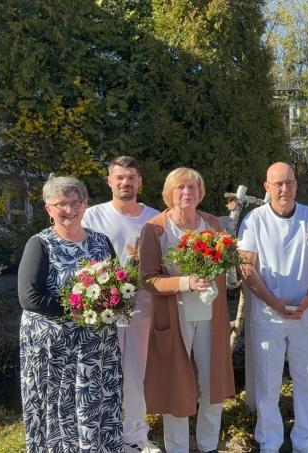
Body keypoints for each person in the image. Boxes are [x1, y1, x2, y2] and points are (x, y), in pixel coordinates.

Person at [18, 175, 122, 452]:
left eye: (75, 202)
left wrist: (117, 302)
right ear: (48, 210)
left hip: (97, 351)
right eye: (60, 204)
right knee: (59, 412)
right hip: (55, 353)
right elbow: (30, 298)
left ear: (85, 204)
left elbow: (117, 285)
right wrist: (82, 309)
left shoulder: (101, 242)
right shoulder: (40, 244)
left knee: (96, 407)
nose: (69, 209)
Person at [139, 167, 235, 453]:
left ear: (200, 192)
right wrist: (185, 282)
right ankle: (177, 448)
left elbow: (222, 265)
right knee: (176, 386)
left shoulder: (213, 224)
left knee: (212, 386)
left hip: (210, 318)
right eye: (180, 187)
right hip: (174, 318)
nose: (187, 193)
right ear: (170, 192)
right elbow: (147, 279)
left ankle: (208, 446)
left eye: (192, 187)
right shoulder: (155, 228)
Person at [237, 162, 308, 453]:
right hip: (268, 315)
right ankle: (270, 440)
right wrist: (274, 303)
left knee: (305, 379)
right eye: (277, 184)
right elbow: (247, 267)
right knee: (268, 384)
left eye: (289, 182)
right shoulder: (254, 220)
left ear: (296, 185)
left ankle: (305, 439)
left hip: (305, 314)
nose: (284, 189)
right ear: (266, 187)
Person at [82, 156, 162, 453]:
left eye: (131, 177)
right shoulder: (92, 216)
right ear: (109, 181)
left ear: (140, 181)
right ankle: (104, 435)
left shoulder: (154, 218)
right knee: (102, 374)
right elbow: (83, 262)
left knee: (136, 373)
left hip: (143, 307)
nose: (125, 182)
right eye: (119, 177)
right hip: (103, 311)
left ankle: (136, 436)